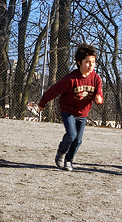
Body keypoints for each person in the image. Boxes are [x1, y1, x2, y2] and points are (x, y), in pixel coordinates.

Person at [38, 44, 104, 172]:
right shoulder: (71, 79)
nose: (91, 65)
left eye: (93, 62)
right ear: (79, 63)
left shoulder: (96, 79)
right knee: (71, 134)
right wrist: (43, 102)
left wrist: (98, 99)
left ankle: (69, 160)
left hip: (83, 113)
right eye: (87, 62)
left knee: (78, 140)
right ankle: (61, 152)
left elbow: (99, 97)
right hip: (68, 110)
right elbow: (54, 90)